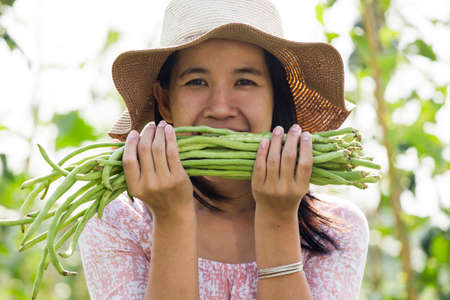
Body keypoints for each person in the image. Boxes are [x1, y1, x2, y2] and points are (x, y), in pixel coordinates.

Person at [79, 0, 369, 299]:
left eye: (245, 81)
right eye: (197, 81)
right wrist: (172, 218)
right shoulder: (119, 222)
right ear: (164, 100)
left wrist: (278, 219)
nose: (219, 108)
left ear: (277, 97)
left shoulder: (336, 230)